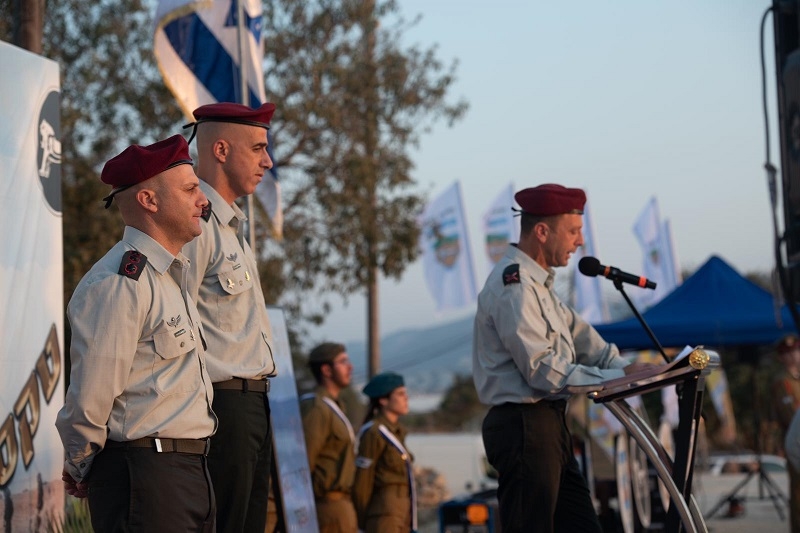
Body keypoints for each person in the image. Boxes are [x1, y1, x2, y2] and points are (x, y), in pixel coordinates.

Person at [55, 135, 217, 532]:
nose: (203, 200)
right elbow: (91, 395)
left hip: (188, 471)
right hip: (147, 475)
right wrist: (80, 465)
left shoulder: (168, 278)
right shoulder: (120, 282)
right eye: (191, 189)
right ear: (149, 201)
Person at [472, 183, 655, 533]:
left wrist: (638, 372)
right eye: (573, 231)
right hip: (524, 426)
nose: (580, 241)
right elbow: (543, 370)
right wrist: (615, 379)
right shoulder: (515, 287)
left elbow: (589, 343)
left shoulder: (541, 287)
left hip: (549, 425)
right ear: (541, 231)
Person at [182, 102, 279, 533]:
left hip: (253, 402)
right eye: (258, 148)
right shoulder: (195, 225)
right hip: (223, 406)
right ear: (220, 150)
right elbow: (173, 319)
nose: (268, 161)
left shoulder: (231, 230)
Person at [300, 342, 358, 532]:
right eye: (343, 362)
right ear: (326, 370)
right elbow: (304, 463)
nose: (350, 367)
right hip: (328, 505)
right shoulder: (318, 408)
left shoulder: (334, 406)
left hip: (342, 503)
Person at [353, 372, 416, 533]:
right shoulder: (374, 433)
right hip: (384, 515)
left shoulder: (397, 432)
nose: (406, 398)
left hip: (403, 513)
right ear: (383, 400)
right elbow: (362, 484)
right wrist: (361, 524)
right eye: (400, 394)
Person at [772, 333, 800, 532]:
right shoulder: (783, 382)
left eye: (796, 351)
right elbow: (789, 415)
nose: (794, 356)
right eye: (788, 353)